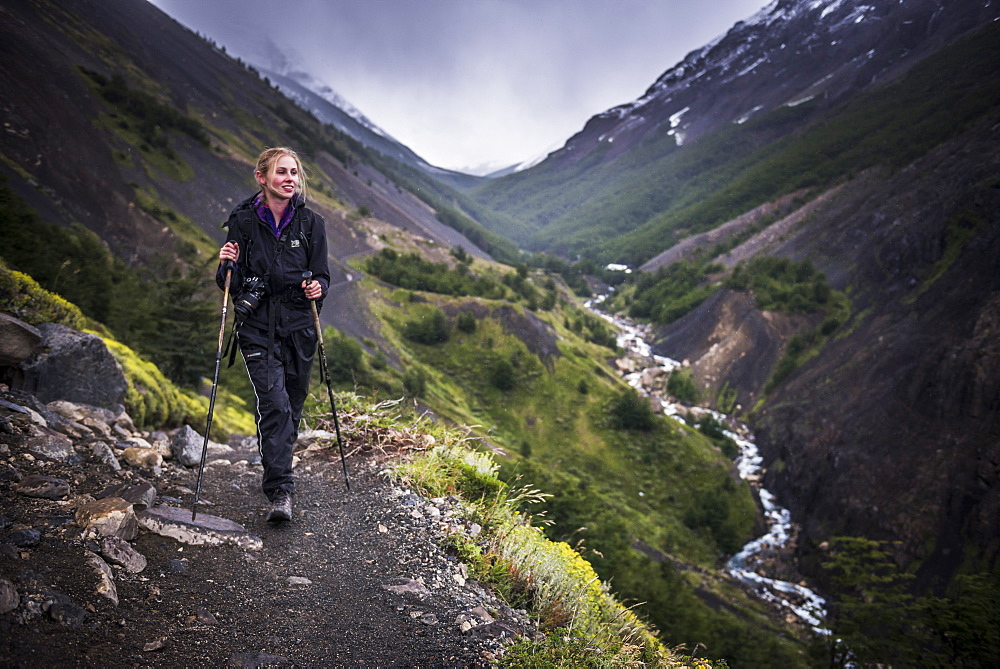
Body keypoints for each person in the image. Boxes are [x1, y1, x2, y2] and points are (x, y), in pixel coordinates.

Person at [216, 147, 329, 522]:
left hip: (299, 329)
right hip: (257, 328)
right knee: (276, 405)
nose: (290, 179)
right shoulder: (244, 221)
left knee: (291, 408)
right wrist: (225, 265)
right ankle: (280, 492)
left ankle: (276, 457)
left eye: (294, 173)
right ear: (261, 177)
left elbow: (322, 275)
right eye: (281, 172)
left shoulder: (312, 224)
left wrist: (318, 288)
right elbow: (227, 280)